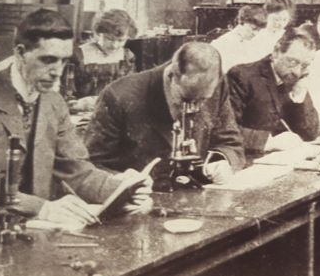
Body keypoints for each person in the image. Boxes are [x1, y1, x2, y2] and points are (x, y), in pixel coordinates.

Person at [0, 9, 152, 249]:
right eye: (47, 60)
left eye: (64, 61)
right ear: (20, 53)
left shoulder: (54, 103)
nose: (57, 72)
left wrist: (121, 191)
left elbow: (78, 170)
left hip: (12, 232)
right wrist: (44, 208)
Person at [85, 42, 245, 183]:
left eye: (203, 100)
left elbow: (230, 142)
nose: (195, 108)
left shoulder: (217, 86)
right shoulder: (119, 96)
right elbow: (91, 165)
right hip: (141, 201)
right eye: (187, 99)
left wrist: (222, 161)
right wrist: (122, 182)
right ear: (172, 75)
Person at [227, 29, 320, 153]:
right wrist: (269, 142)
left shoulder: (297, 78)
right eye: (292, 62)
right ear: (276, 52)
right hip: (249, 159)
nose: (297, 71)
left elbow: (310, 134)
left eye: (304, 65)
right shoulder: (242, 76)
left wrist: (298, 98)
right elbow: (226, 130)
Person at [67, 9, 138, 106]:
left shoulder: (127, 58)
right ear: (97, 33)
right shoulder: (78, 55)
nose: (114, 45)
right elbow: (67, 93)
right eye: (109, 39)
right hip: (81, 111)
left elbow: (129, 90)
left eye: (121, 40)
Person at [211, 4, 267, 74]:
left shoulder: (255, 43)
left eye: (259, 30)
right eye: (253, 29)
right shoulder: (223, 43)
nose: (255, 34)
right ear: (242, 22)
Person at [245, 0, 296, 65]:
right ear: (266, 17)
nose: (280, 23)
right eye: (276, 19)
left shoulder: (289, 37)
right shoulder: (258, 37)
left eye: (284, 19)